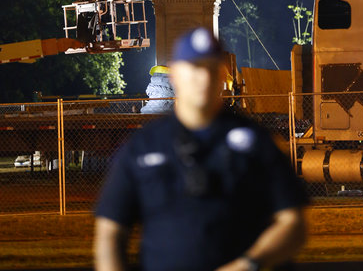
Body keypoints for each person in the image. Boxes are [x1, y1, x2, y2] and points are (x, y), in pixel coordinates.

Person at [94, 27, 307, 271]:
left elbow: (293, 223)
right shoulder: (143, 147)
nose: (203, 78)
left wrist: (248, 265)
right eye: (195, 68)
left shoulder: (257, 143)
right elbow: (110, 232)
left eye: (211, 68)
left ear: (222, 76)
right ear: (175, 76)